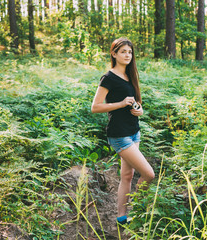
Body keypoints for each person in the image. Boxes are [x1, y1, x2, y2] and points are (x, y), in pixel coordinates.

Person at [91, 38, 155, 225]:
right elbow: (95, 107)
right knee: (149, 174)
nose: (127, 55)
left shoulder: (130, 75)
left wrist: (139, 110)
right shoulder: (108, 78)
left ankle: (121, 217)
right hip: (119, 135)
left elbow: (135, 102)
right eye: (123, 51)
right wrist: (120, 104)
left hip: (134, 131)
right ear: (114, 54)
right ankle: (138, 210)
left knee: (127, 176)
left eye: (130, 52)